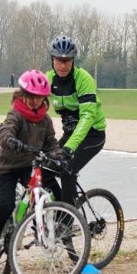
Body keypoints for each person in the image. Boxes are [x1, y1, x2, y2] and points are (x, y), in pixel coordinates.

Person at [0, 70, 62, 261]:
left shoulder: (45, 120)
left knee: (41, 193)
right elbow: (6, 132)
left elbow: (51, 143)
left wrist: (58, 155)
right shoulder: (16, 114)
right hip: (6, 169)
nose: (36, 101)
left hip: (27, 165)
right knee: (7, 204)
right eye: (32, 97)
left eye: (40, 98)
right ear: (24, 95)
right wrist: (11, 141)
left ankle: (39, 229)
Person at [46, 34, 107, 206]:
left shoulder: (83, 79)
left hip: (93, 135)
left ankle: (68, 224)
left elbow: (87, 117)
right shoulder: (49, 79)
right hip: (70, 135)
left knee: (67, 171)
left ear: (73, 61)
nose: (62, 65)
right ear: (52, 59)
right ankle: (61, 209)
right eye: (58, 60)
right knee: (45, 170)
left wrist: (69, 148)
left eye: (67, 61)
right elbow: (30, 104)